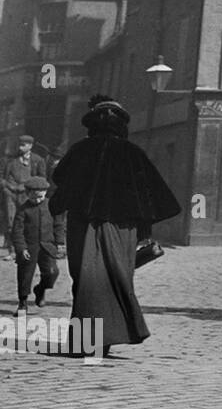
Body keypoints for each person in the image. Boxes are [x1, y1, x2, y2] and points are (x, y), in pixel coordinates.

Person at [48, 96, 180, 354]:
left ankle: (88, 342)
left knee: (86, 280)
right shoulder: (133, 153)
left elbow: (60, 180)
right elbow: (154, 196)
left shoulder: (80, 150)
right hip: (122, 230)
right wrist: (144, 230)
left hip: (84, 227)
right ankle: (109, 338)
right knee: (118, 278)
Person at [12, 176, 64, 313]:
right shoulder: (23, 210)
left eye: (40, 197)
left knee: (52, 272)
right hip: (29, 248)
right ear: (27, 194)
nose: (37, 200)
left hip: (47, 247)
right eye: (34, 198)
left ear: (45, 193)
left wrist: (59, 243)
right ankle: (22, 303)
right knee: (25, 276)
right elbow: (17, 231)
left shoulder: (51, 206)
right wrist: (21, 248)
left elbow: (58, 225)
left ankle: (40, 289)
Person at [3, 135, 47, 261]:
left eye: (23, 145)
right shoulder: (10, 160)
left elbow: (42, 179)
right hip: (10, 195)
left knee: (27, 221)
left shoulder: (38, 160)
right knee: (11, 221)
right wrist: (6, 188)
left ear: (30, 146)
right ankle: (12, 250)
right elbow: (2, 177)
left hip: (28, 195)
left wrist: (30, 187)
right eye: (19, 144)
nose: (20, 147)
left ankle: (25, 250)